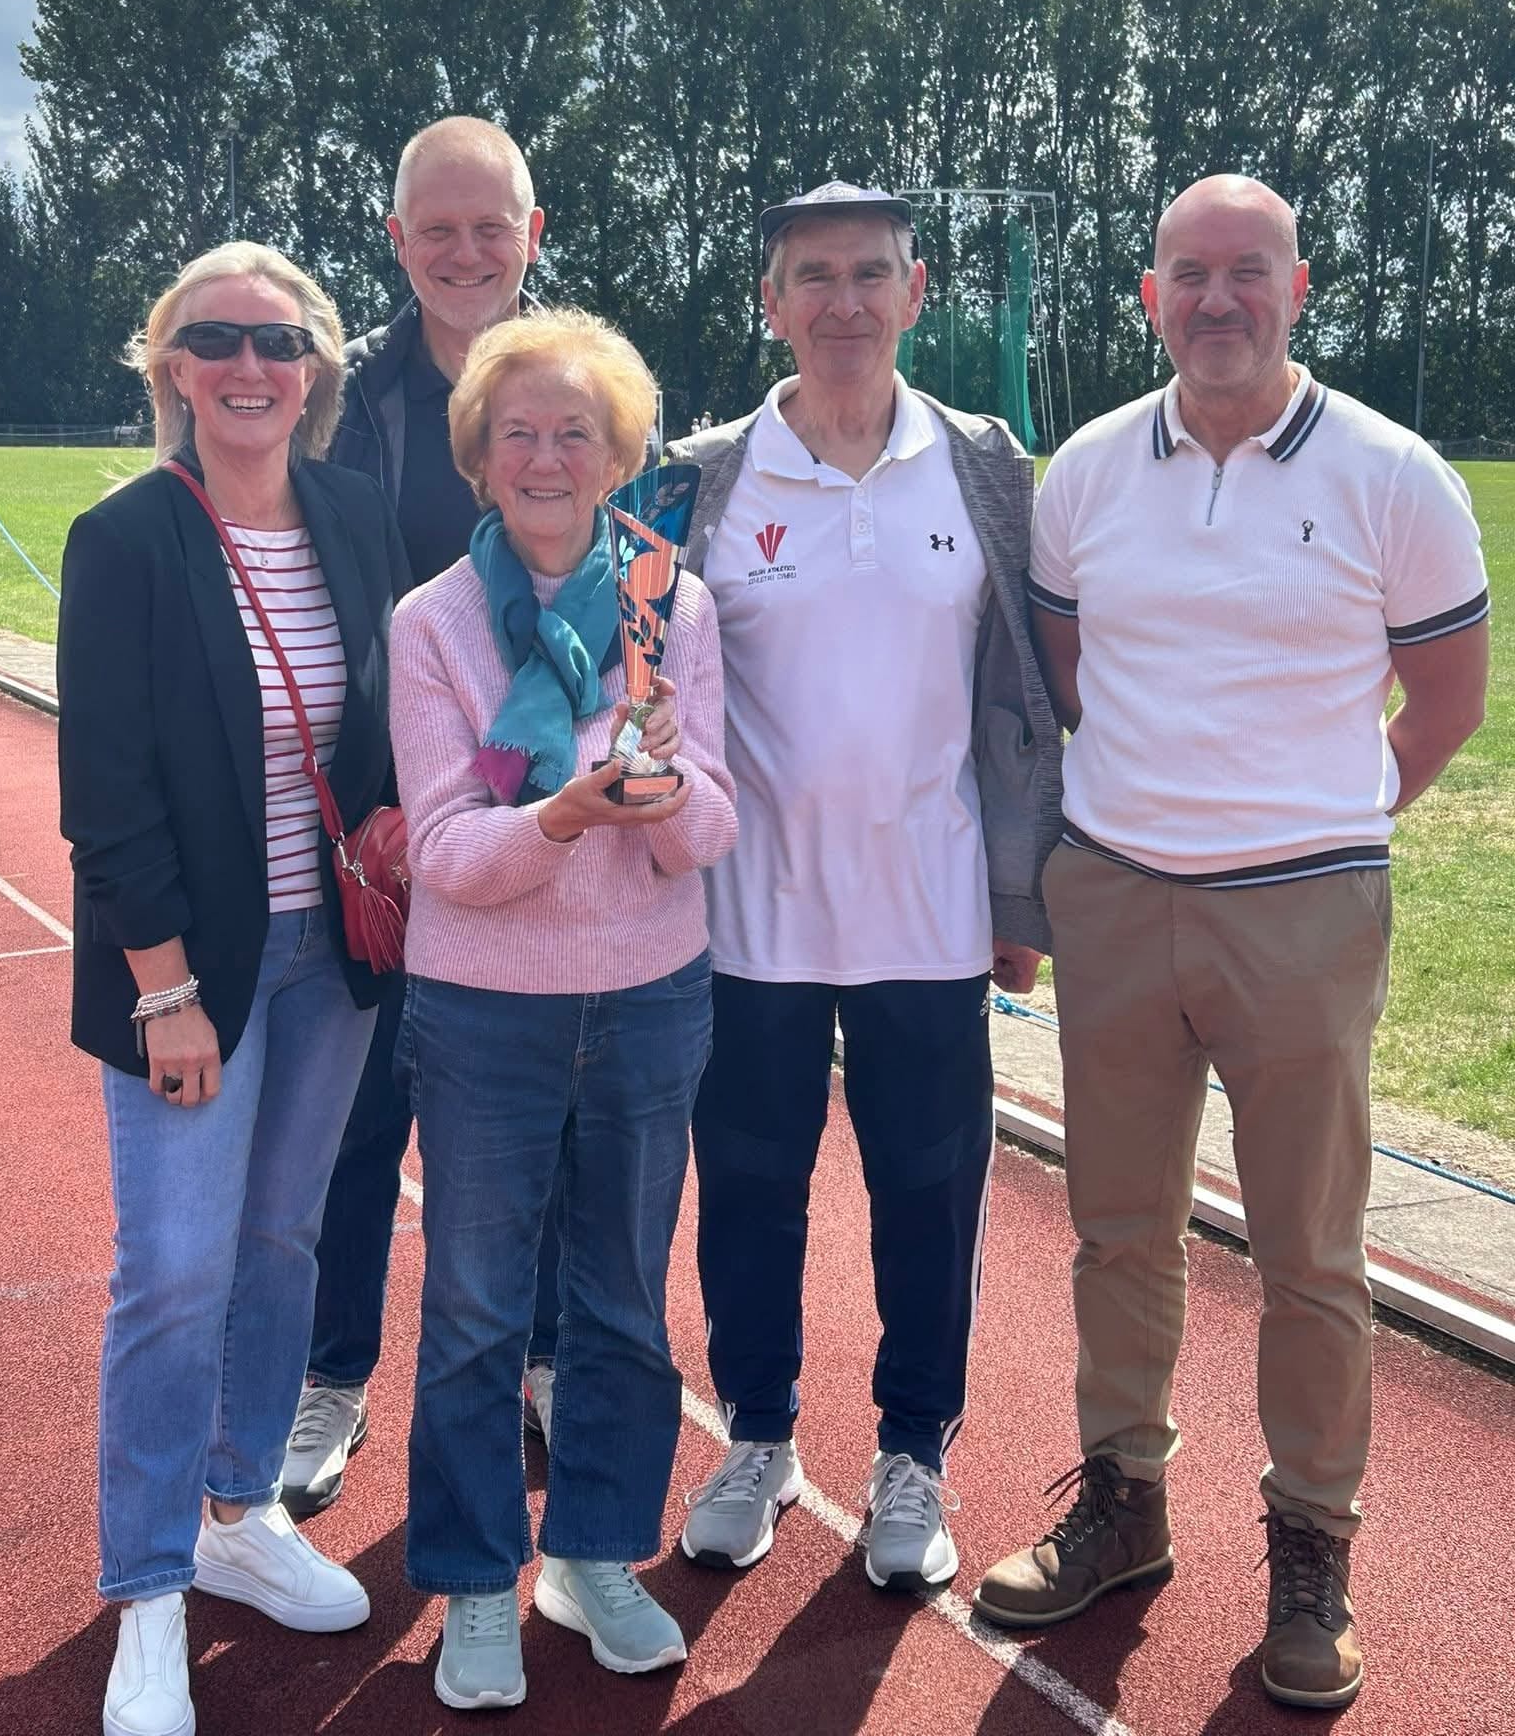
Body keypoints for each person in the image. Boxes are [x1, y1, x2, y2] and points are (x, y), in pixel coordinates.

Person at [974, 175, 1489, 1711]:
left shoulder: (1397, 476)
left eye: (1246, 272)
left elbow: (1448, 703)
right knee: (1119, 1227)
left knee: (1312, 1256)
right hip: (1121, 899)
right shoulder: (1085, 475)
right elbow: (1075, 676)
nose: (1216, 300)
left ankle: (1312, 1549)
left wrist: (1320, 823)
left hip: (1305, 913)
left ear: (1298, 286)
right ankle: (1126, 1503)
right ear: (1149, 297)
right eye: (1188, 273)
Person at [672, 181, 1061, 1594]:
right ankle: (758, 1438)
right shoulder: (699, 474)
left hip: (932, 913)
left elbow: (1026, 691)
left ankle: (915, 1453)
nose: (844, 302)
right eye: (814, 277)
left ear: (914, 292)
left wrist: (1020, 899)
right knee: (752, 1191)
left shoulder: (983, 462)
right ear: (771, 302)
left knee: (927, 1192)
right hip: (747, 919)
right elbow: (641, 689)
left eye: (872, 275)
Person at [58, 244, 409, 1736]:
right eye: (216, 338)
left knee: (283, 1238)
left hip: (327, 957)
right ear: (172, 366)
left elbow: (391, 713)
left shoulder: (349, 512)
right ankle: (144, 1584)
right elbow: (107, 793)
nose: (250, 364)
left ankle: (236, 1503)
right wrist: (162, 990)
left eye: (278, 339)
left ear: (316, 367)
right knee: (176, 1270)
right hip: (187, 971)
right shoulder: (127, 537)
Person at [390, 307, 737, 1710]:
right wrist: (564, 813)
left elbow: (711, 825)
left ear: (619, 456)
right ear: (479, 458)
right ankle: (476, 1580)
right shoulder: (435, 621)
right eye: (517, 432)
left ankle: (591, 1554)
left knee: (623, 1308)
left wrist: (656, 800)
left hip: (652, 1004)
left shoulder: (672, 599)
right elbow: (444, 857)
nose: (545, 455)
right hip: (486, 1020)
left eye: (573, 432)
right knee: (476, 1313)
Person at [283, 115, 566, 1516]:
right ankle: (331, 1377)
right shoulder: (342, 400)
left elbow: (624, 591)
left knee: (546, 1126)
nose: (465, 251)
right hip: (386, 838)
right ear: (398, 242)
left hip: (546, 833)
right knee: (358, 1125)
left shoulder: (586, 383)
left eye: (489, 224)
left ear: (532, 230)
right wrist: (374, 801)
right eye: (436, 228)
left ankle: (544, 1362)